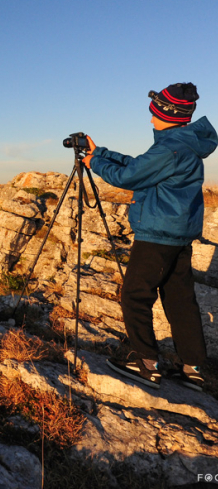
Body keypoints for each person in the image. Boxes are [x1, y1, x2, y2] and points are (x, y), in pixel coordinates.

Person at [82, 83, 217, 390]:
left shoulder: (170, 149)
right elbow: (139, 165)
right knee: (180, 299)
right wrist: (100, 152)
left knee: (135, 295)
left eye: (153, 113)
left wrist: (94, 163)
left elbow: (127, 176)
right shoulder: (181, 144)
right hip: (178, 235)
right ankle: (191, 367)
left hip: (157, 235)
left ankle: (145, 362)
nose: (150, 119)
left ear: (167, 114)